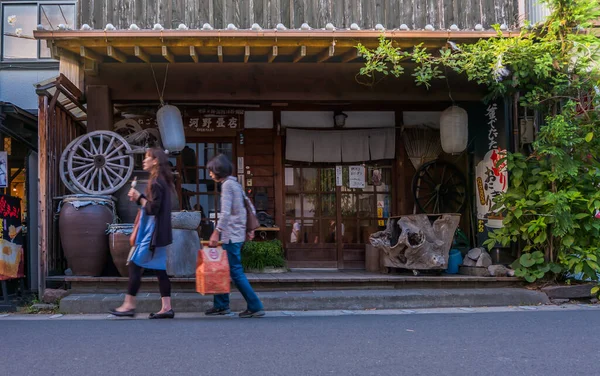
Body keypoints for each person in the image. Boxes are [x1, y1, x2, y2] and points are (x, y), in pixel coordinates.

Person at [110, 147, 175, 319]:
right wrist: (141, 199)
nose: (144, 160)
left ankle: (129, 305)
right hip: (158, 234)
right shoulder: (161, 181)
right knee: (160, 270)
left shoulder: (155, 182)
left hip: (151, 234)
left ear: (155, 161)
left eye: (147, 157)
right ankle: (166, 307)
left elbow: (153, 209)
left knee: (135, 264)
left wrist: (139, 197)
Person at [204, 154, 265, 318]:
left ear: (218, 171)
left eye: (211, 171)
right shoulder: (235, 183)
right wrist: (249, 229)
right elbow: (248, 207)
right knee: (222, 269)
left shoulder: (227, 186)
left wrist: (216, 232)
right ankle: (221, 305)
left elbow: (225, 213)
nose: (210, 174)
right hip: (236, 234)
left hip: (230, 235)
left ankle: (255, 305)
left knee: (235, 272)